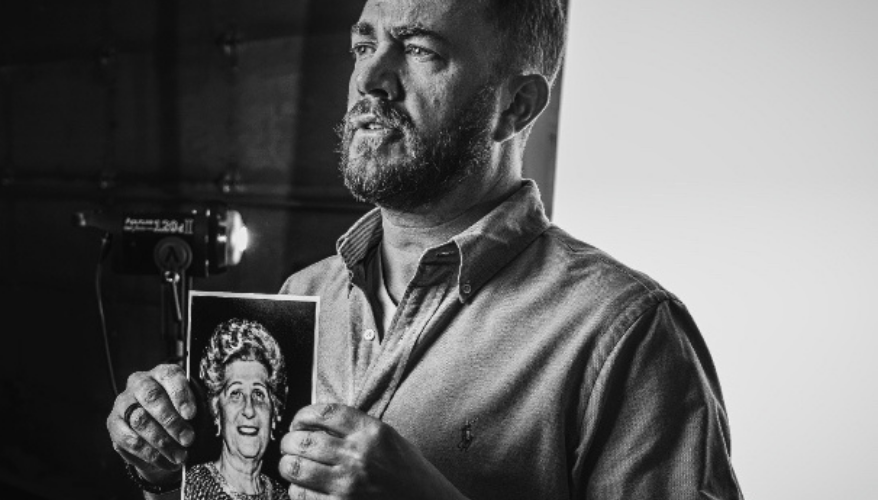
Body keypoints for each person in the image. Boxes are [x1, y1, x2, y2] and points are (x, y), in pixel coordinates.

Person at [106, 0, 743, 498]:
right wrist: (169, 473)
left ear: (515, 106)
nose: (370, 80)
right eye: (364, 45)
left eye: (418, 49)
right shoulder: (303, 297)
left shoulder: (623, 335)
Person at [184, 319, 291, 500]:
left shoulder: (283, 495)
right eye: (235, 394)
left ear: (274, 414)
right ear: (217, 411)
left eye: (258, 394)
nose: (249, 410)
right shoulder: (193, 485)